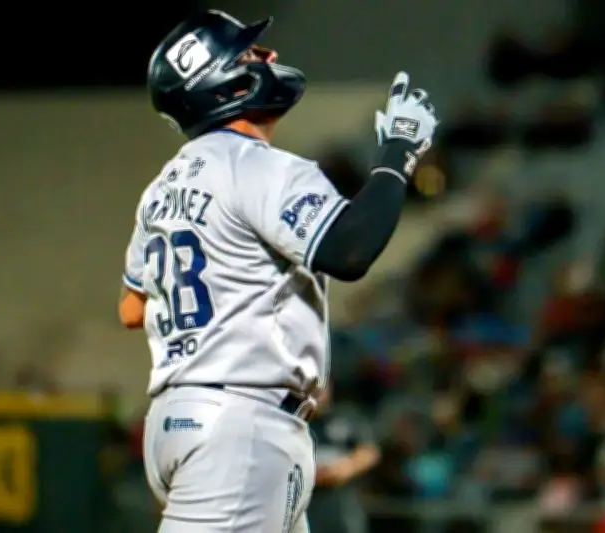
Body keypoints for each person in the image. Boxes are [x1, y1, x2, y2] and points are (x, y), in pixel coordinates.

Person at [117, 9, 439, 533]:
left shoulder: (161, 189)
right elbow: (350, 251)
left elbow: (131, 309)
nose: (268, 57)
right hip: (239, 425)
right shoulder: (257, 165)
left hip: (184, 418)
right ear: (221, 82)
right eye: (249, 53)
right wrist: (398, 152)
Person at [308, 386, 380, 533]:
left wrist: (343, 468)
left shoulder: (346, 416)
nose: (318, 392)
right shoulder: (294, 422)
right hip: (307, 507)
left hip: (344, 507)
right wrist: (311, 473)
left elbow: (370, 451)